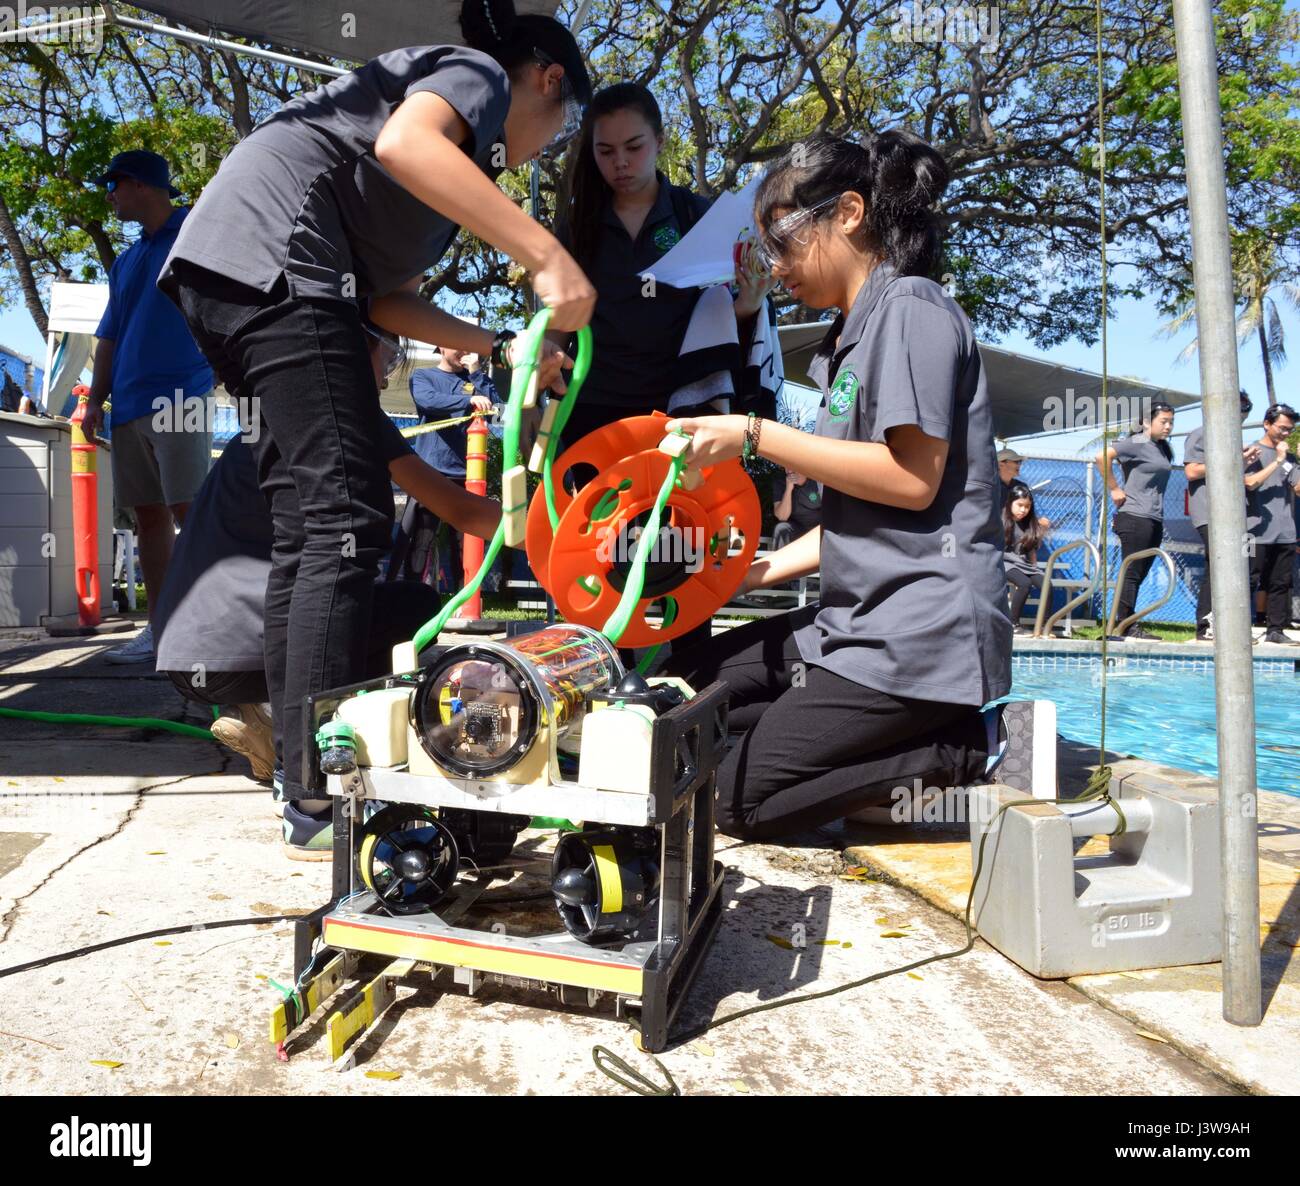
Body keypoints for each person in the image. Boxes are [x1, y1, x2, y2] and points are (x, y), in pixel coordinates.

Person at [159, 0, 596, 818]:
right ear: (547, 79)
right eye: (561, 126)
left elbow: (386, 302)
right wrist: (545, 253)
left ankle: (304, 787)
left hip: (238, 273)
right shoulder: (475, 78)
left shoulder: (454, 179)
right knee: (344, 521)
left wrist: (499, 345)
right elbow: (406, 143)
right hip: (278, 262)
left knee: (310, 523)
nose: (545, 146)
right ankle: (323, 794)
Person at [657, 131, 1052, 842]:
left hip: (918, 635)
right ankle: (891, 741)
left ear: (848, 213)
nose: (774, 268)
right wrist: (758, 572)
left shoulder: (912, 308)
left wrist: (753, 433)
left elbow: (909, 479)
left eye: (779, 242)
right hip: (854, 623)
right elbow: (861, 503)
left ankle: (976, 746)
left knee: (734, 803)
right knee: (689, 696)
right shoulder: (851, 337)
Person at [153, 328, 503, 857]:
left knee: (353, 591)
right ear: (356, 345)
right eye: (388, 348)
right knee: (407, 604)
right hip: (237, 650)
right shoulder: (338, 407)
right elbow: (467, 512)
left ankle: (273, 727)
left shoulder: (272, 409)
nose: (392, 367)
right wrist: (561, 521)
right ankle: (311, 786)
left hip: (192, 654)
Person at [80, 150, 216, 665]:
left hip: (182, 395)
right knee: (149, 519)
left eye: (113, 185)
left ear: (137, 184)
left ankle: (206, 629)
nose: (109, 196)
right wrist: (95, 400)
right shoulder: (127, 259)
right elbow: (108, 336)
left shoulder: (196, 235)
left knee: (191, 514)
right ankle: (160, 631)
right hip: (128, 404)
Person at [393, 347, 502, 589]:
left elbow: (498, 412)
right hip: (430, 473)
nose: (464, 350)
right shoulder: (423, 376)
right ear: (441, 347)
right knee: (421, 538)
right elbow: (428, 400)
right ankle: (409, 594)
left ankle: (467, 598)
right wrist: (468, 400)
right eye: (457, 345)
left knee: (466, 543)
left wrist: (476, 373)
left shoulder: (475, 380)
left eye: (467, 345)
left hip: (468, 476)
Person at [1182, 390, 1258, 641]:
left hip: (1232, 514)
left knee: (1234, 567)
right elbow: (1192, 471)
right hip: (1209, 513)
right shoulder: (1202, 433)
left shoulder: (1232, 437)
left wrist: (1243, 461)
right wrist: (1236, 458)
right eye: (1239, 411)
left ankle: (1226, 623)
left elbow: (1228, 471)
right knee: (1218, 567)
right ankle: (1205, 625)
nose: (1243, 417)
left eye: (1246, 412)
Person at [1095, 402, 1175, 640]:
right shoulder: (1139, 441)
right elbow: (1102, 457)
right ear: (1148, 422)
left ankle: (1125, 622)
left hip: (1153, 517)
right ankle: (1122, 626)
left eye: (1171, 422)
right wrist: (1115, 489)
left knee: (1138, 573)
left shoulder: (1161, 447)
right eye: (1164, 421)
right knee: (1131, 572)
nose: (1168, 426)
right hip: (1135, 516)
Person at [1245, 402, 1300, 646]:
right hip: (1255, 531)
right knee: (1248, 580)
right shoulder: (1251, 451)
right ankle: (1240, 628)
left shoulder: (1291, 458)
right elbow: (1250, 483)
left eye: (1290, 429)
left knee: (1280, 583)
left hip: (1285, 532)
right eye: (1282, 428)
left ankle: (1275, 629)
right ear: (1267, 424)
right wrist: (1277, 461)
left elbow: (1298, 488)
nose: (1286, 433)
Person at [1003, 483, 1046, 632]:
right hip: (1005, 562)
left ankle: (1044, 625)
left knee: (1046, 585)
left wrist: (1035, 568)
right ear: (1010, 503)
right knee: (1024, 583)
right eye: (1020, 505)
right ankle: (1013, 623)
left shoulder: (1030, 524)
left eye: (1027, 506)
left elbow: (1031, 550)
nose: (1023, 510)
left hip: (1023, 563)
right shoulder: (1001, 520)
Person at [771, 469, 822, 551]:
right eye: (785, 464)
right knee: (781, 528)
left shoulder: (817, 480)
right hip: (797, 529)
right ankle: (782, 563)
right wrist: (788, 489)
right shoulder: (780, 483)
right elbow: (782, 517)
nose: (788, 469)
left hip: (818, 528)